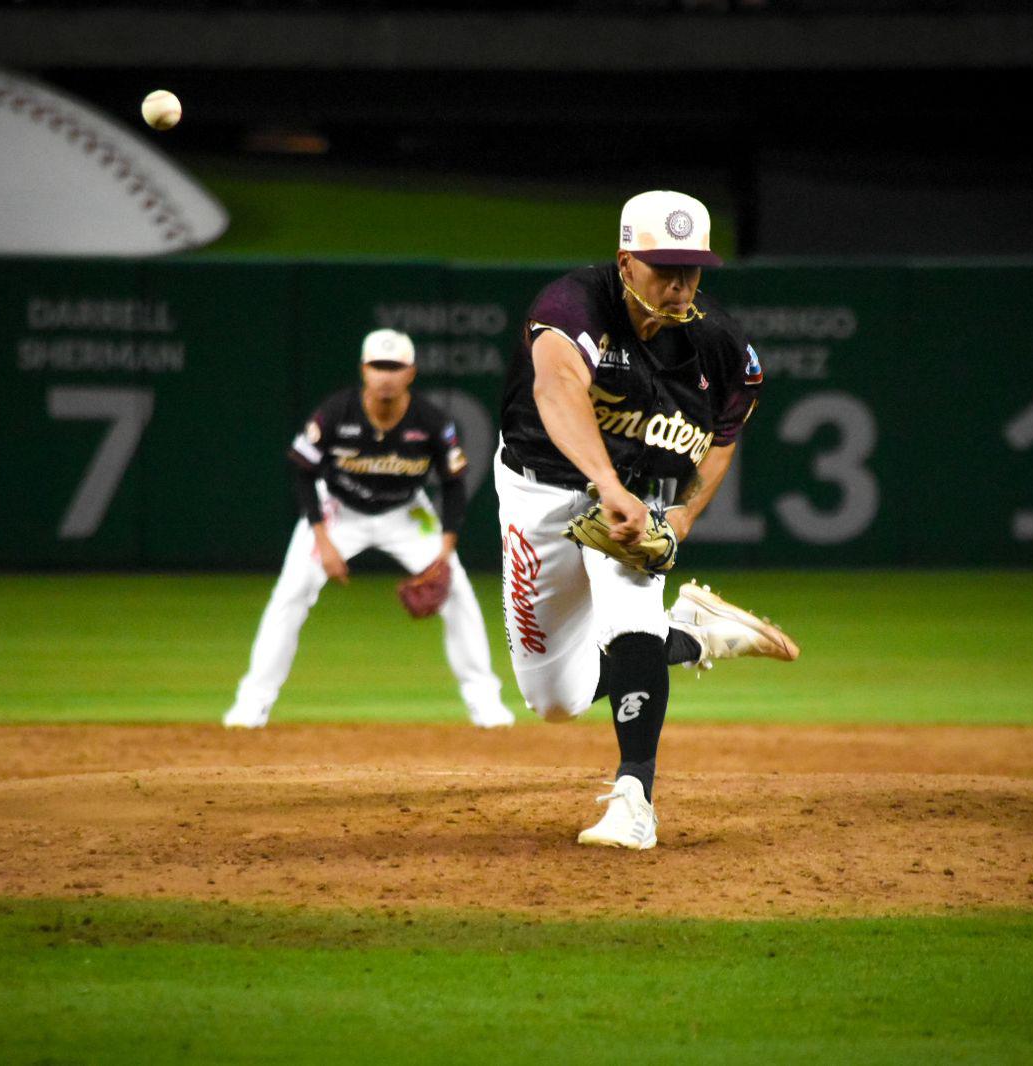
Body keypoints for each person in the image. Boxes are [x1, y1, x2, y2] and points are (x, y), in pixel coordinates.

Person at [495, 189, 799, 849]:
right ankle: (692, 634)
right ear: (625, 260)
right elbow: (555, 387)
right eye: (664, 266)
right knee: (554, 700)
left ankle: (635, 800)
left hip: (637, 494)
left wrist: (685, 511)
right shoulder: (571, 305)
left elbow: (724, 434)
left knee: (629, 619)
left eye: (691, 268)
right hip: (539, 493)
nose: (681, 283)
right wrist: (602, 481)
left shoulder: (719, 342)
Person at [223, 328, 515, 730]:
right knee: (290, 593)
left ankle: (486, 704)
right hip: (339, 508)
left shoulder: (431, 421)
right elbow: (302, 471)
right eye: (379, 365)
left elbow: (453, 483)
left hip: (406, 512)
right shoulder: (336, 413)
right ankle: (251, 703)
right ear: (364, 369)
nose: (386, 375)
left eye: (395, 366)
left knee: (457, 591)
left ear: (410, 372)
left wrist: (445, 550)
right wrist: (322, 539)